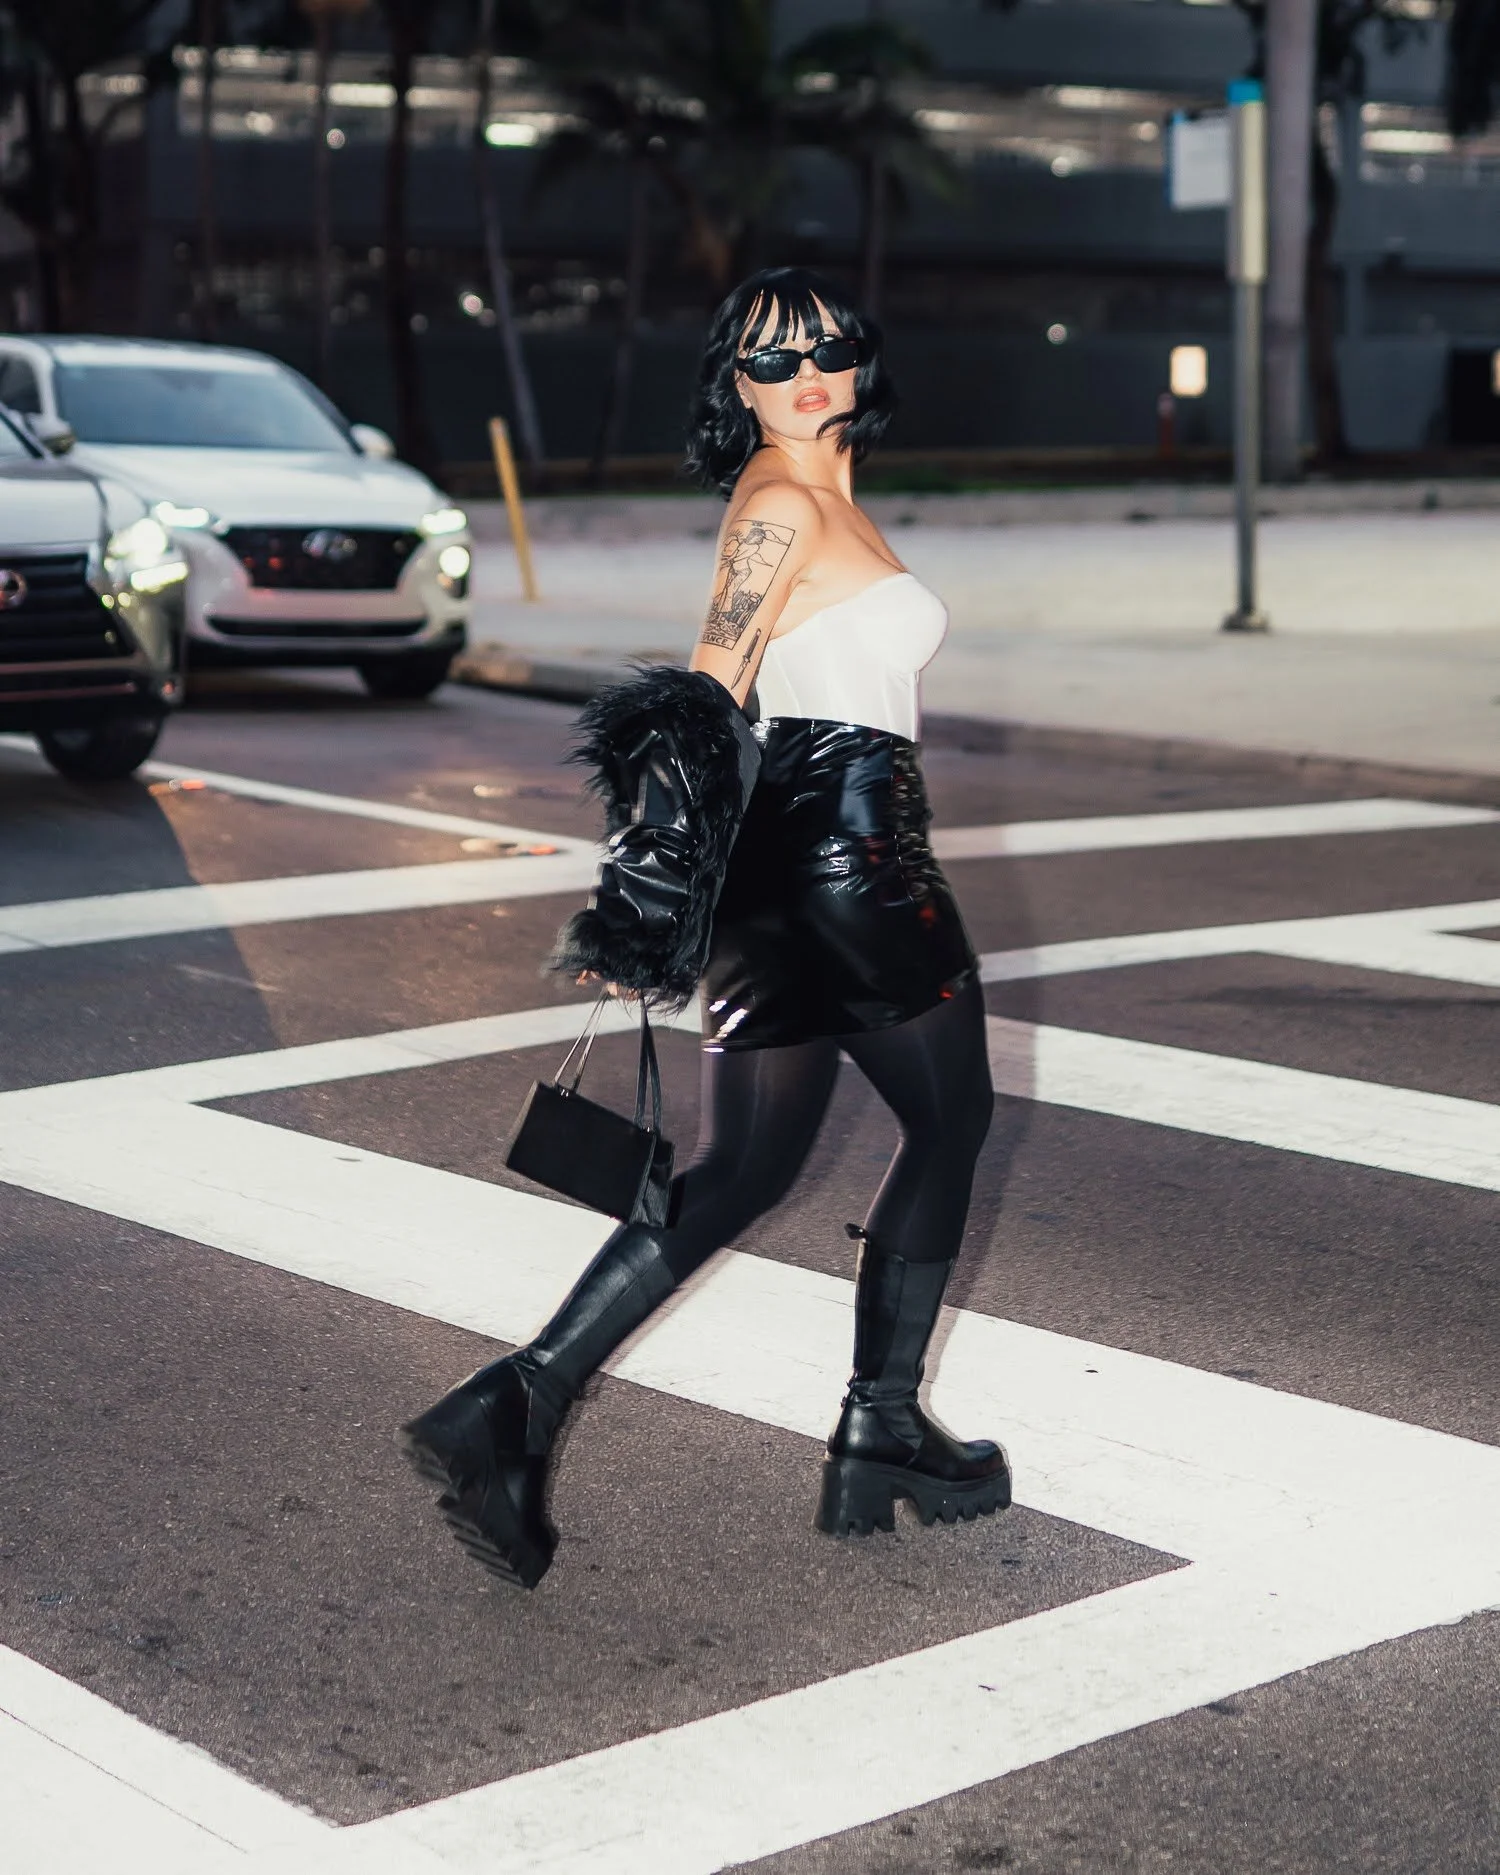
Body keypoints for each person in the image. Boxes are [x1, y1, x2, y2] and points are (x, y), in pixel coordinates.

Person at [401, 266, 1009, 1588]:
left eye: (826, 350)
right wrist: (645, 895)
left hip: (785, 862)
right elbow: (707, 691)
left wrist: (684, 889)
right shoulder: (782, 504)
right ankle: (883, 1426)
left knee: (744, 1167)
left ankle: (517, 1406)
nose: (807, 377)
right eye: (773, 361)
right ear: (736, 384)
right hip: (849, 850)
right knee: (952, 1120)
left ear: (859, 358)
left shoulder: (816, 493)